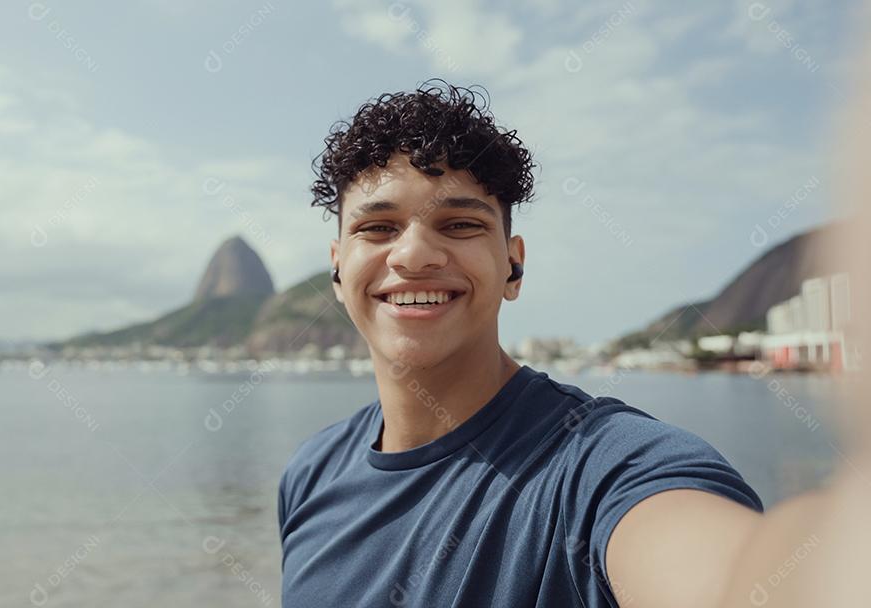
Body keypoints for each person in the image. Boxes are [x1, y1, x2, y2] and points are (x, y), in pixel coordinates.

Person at [277, 77, 870, 607]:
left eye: (460, 224)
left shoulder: (603, 468)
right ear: (337, 268)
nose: (412, 254)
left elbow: (731, 575)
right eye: (377, 228)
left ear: (513, 265)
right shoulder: (310, 472)